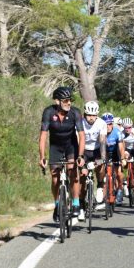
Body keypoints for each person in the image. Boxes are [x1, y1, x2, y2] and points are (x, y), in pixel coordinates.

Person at [39, 87, 85, 223]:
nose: (69, 103)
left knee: (72, 172)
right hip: (55, 147)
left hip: (71, 146)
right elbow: (43, 136)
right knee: (55, 179)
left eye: (70, 100)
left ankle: (76, 203)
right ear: (57, 101)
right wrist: (42, 157)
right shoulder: (48, 112)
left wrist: (81, 156)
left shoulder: (75, 113)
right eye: (65, 100)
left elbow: (82, 136)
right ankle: (58, 204)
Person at [80, 101, 107, 218]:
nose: (91, 118)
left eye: (93, 115)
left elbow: (102, 141)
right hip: (84, 150)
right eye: (88, 115)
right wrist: (79, 158)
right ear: (85, 114)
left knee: (101, 166)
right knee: (81, 176)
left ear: (97, 115)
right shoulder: (80, 123)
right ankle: (81, 204)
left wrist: (102, 158)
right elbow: (77, 141)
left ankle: (100, 185)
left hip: (96, 149)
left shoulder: (101, 123)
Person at [102, 113, 126, 205]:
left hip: (116, 152)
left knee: (119, 173)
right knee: (104, 174)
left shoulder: (117, 132)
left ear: (113, 124)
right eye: (106, 124)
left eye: (110, 124)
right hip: (105, 152)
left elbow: (121, 147)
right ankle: (105, 194)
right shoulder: (101, 132)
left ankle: (120, 189)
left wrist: (122, 159)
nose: (108, 126)